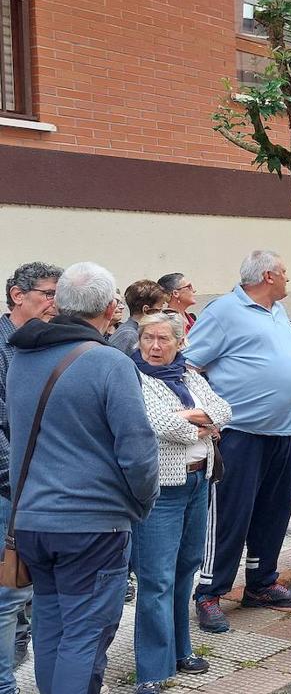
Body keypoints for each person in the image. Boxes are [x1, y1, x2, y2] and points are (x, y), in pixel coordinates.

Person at [7, 262, 158, 694]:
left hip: (34, 522)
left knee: (51, 630)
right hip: (91, 525)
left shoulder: (22, 357)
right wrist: (142, 504)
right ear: (112, 309)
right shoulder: (109, 363)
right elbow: (138, 451)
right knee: (85, 637)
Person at [187, 250, 291, 633]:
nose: (290, 279)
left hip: (280, 433)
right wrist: (209, 415)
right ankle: (209, 592)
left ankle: (261, 582)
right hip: (240, 434)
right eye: (285, 272)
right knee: (229, 515)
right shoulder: (224, 311)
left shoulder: (276, 313)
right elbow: (188, 365)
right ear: (269, 275)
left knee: (274, 512)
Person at [131, 311, 231, 693]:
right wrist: (201, 424)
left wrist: (196, 417)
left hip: (198, 481)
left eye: (163, 340)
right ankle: (151, 672)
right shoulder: (134, 378)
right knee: (156, 578)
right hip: (163, 489)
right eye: (148, 339)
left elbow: (224, 409)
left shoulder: (189, 375)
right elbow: (163, 425)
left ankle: (180, 650)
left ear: (179, 342)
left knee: (186, 568)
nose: (154, 347)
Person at [0, 261, 61, 693]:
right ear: (18, 296)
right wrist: (16, 482)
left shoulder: (43, 344)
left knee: (36, 591)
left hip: (44, 488)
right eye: (49, 294)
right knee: (8, 593)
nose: (56, 304)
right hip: (11, 490)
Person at [110, 280, 168, 355]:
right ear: (146, 310)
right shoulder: (129, 336)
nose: (161, 313)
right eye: (160, 308)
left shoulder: (136, 332)